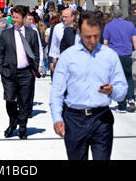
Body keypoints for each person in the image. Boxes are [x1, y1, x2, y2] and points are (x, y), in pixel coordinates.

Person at [50, 11, 128, 160]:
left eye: (96, 36)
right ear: (79, 31)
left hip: (101, 120)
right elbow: (57, 92)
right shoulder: (68, 57)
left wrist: (112, 91)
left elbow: (122, 90)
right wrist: (57, 118)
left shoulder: (110, 56)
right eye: (87, 36)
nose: (92, 40)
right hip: (75, 120)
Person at [0, 5, 40, 140]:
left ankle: (22, 127)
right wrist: (1, 70)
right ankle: (13, 121)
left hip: (26, 73)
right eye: (13, 17)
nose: (14, 20)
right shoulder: (6, 34)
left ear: (23, 18)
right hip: (9, 73)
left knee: (25, 102)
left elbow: (36, 53)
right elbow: (0, 53)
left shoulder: (31, 33)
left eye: (17, 17)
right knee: (10, 99)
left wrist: (36, 67)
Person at [103, 5, 136, 112]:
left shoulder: (108, 26)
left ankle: (121, 105)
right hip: (127, 55)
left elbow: (105, 44)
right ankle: (131, 98)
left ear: (112, 14)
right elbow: (134, 42)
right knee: (129, 77)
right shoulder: (130, 25)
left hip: (114, 57)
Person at [49, 8, 74, 73]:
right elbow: (54, 44)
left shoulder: (77, 28)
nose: (64, 19)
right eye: (63, 17)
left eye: (66, 17)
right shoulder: (57, 27)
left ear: (72, 17)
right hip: (60, 60)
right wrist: (53, 60)